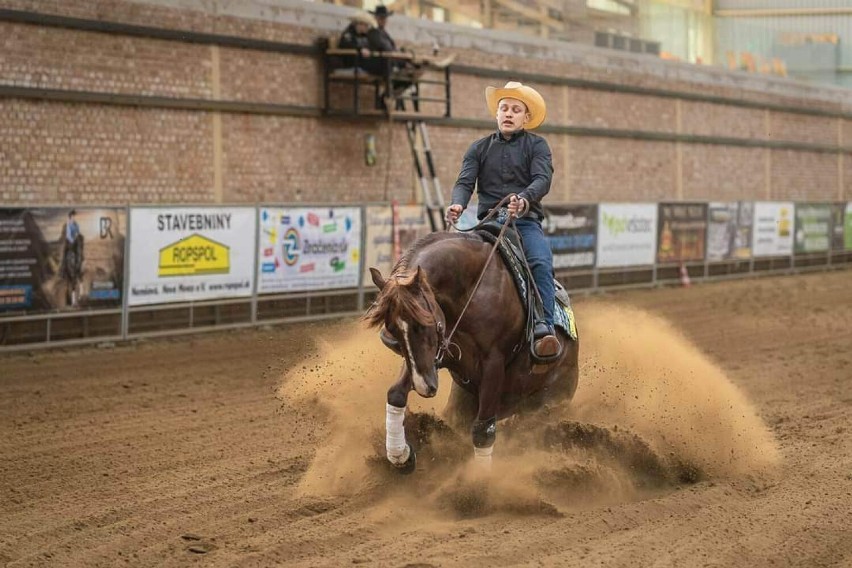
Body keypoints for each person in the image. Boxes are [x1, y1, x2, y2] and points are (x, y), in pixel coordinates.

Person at [445, 81, 560, 359]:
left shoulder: (537, 146)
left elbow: (542, 179)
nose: (508, 113)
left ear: (526, 117)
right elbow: (464, 182)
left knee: (540, 262)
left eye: (515, 109)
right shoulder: (478, 148)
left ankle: (544, 326)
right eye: (504, 108)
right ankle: (442, 326)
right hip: (488, 225)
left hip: (524, 222)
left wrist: (523, 199)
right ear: (497, 114)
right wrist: (458, 203)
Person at [337, 11, 383, 76]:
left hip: (363, 62)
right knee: (382, 66)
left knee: (384, 63)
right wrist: (360, 49)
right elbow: (345, 44)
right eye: (366, 25)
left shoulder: (364, 35)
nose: (367, 28)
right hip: (353, 62)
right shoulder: (349, 33)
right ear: (360, 24)